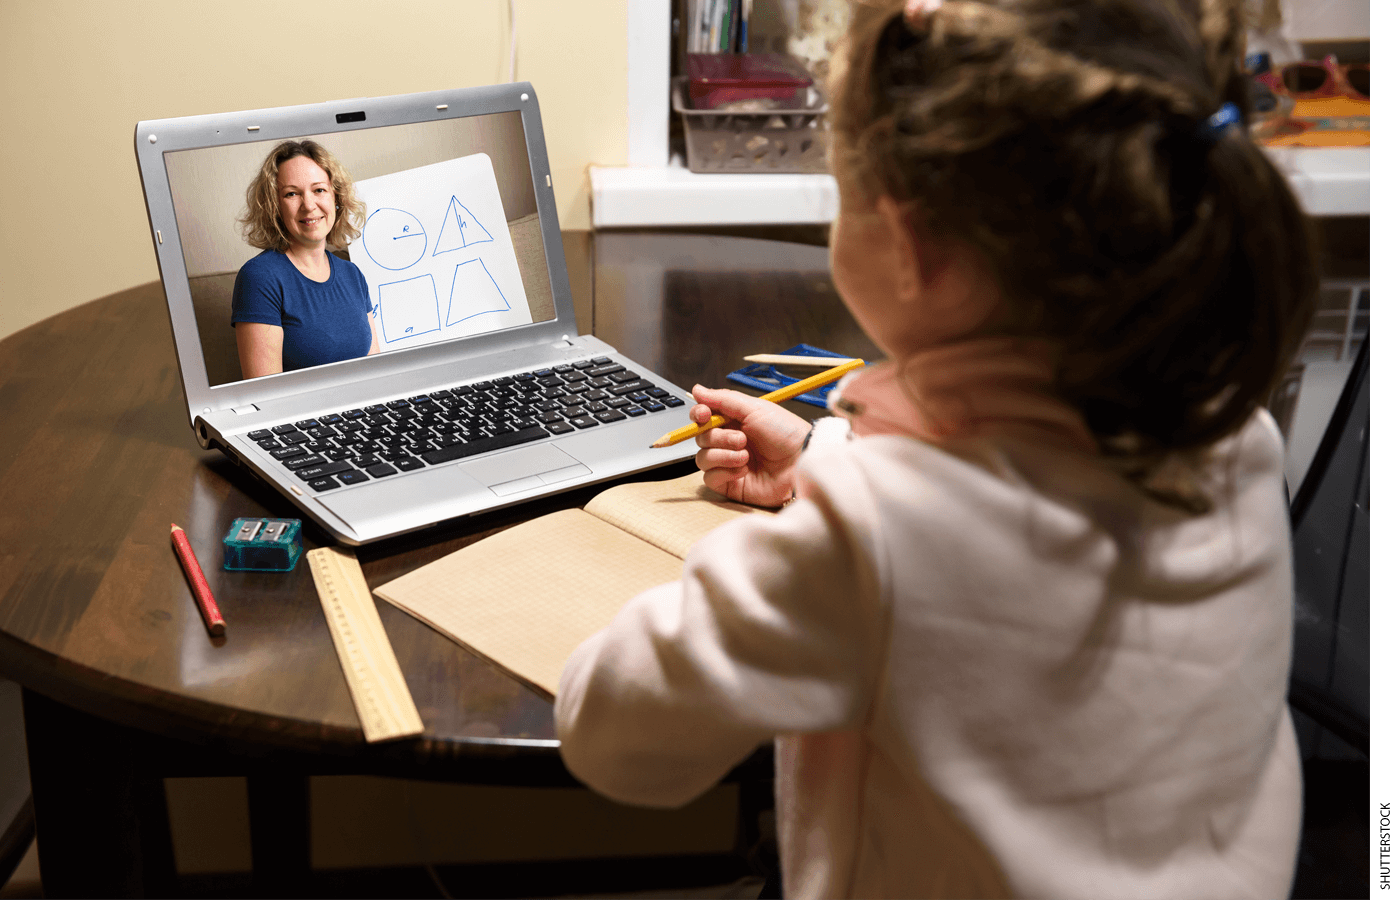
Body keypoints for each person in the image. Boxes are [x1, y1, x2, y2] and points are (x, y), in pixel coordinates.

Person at [554, 0, 1317, 896]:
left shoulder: (869, 542)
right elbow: (994, 538)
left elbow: (618, 738)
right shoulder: (1238, 439)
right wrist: (825, 461)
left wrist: (803, 536)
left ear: (910, 245)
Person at [231, 140, 379, 378]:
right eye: (292, 194)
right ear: (275, 207)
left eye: (319, 190)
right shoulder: (259, 278)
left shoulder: (353, 275)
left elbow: (376, 373)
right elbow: (267, 395)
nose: (309, 205)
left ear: (336, 198)